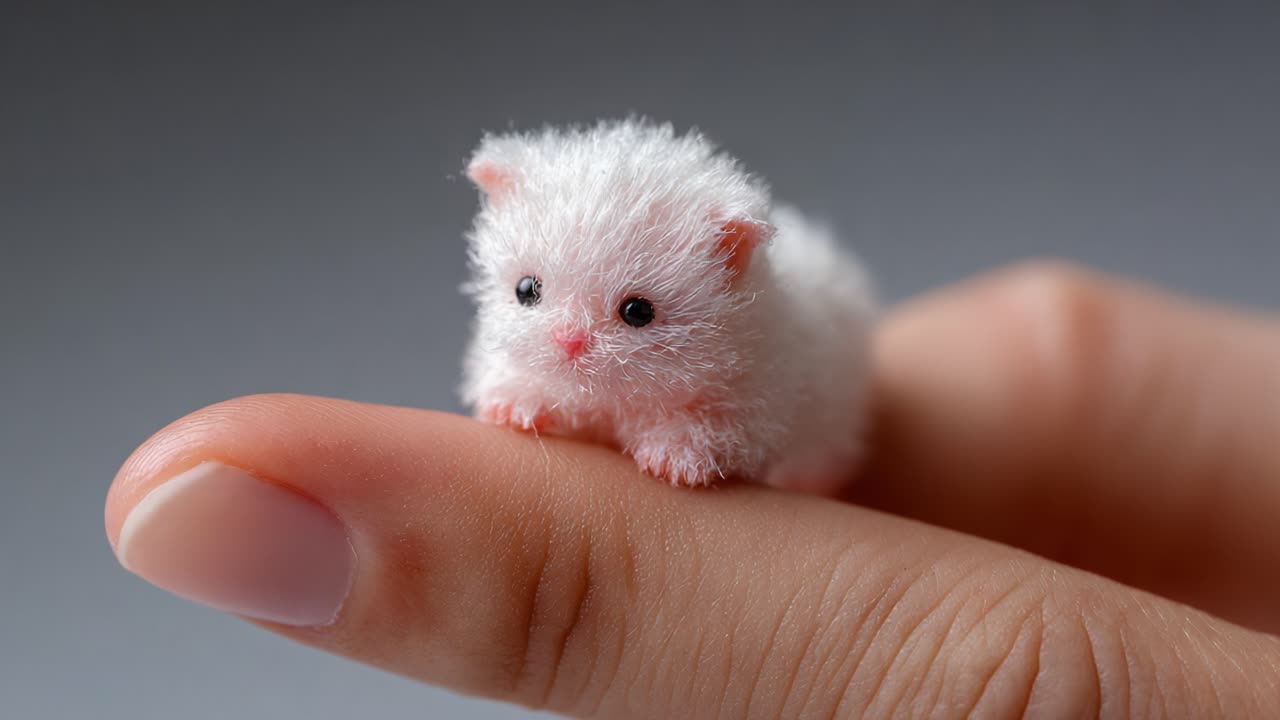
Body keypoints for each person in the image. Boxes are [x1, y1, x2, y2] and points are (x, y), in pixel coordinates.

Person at [104, 262, 1280, 718]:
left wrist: (704, 449)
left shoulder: (769, 347)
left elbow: (776, 417)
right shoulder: (536, 345)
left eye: (629, 314)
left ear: (723, 273)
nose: (566, 343)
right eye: (527, 296)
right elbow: (528, 368)